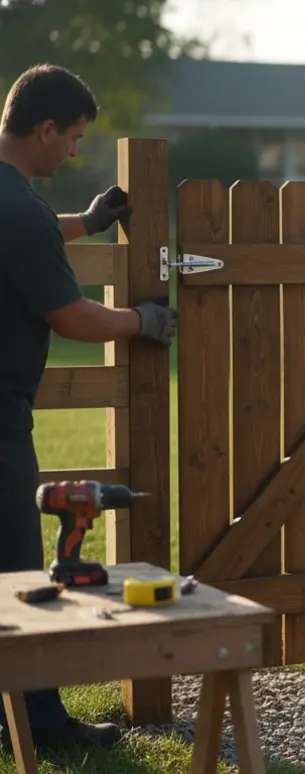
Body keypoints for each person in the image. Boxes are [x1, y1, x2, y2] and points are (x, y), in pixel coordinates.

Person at [0, 64, 178, 750]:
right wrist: (141, 320)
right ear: (45, 129)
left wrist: (89, 223)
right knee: (16, 573)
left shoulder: (14, 204)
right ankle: (40, 727)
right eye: (72, 137)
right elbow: (70, 315)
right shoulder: (17, 209)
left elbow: (28, 240)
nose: (75, 151)